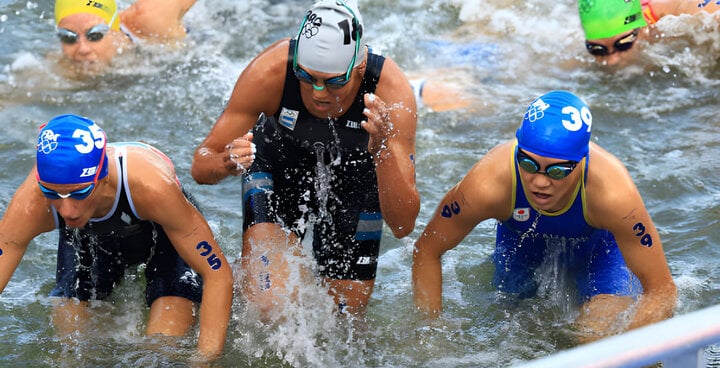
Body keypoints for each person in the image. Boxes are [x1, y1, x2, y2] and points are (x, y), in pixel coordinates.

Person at [191, 0, 419, 318]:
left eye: (334, 81)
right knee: (267, 304)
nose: (318, 92)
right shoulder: (271, 71)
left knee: (344, 321)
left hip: (355, 176)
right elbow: (201, 165)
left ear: (360, 67)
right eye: (306, 76)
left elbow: (404, 224)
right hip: (279, 163)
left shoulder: (390, 91)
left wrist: (381, 149)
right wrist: (225, 162)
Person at [412, 90, 677, 343]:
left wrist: (632, 354)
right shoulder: (488, 184)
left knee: (593, 337)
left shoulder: (612, 195)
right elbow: (427, 249)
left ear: (581, 161)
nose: (539, 182)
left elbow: (662, 290)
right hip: (521, 246)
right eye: (527, 164)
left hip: (599, 252)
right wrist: (430, 328)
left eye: (557, 171)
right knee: (517, 334)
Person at [0, 114, 233, 361]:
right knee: (72, 355)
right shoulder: (34, 203)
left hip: (162, 236)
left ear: (103, 177)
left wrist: (206, 363)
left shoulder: (150, 188)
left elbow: (217, 274)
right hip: (87, 239)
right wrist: (62, 195)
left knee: (161, 354)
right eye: (52, 193)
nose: (67, 210)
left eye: (80, 193)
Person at [53, 0, 196, 74]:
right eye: (69, 38)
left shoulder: (149, 20)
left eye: (95, 35)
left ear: (114, 31)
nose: (83, 49)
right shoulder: (63, 67)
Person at [578, 0, 720, 66]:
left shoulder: (682, 15)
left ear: (643, 28)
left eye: (623, 44)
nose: (611, 61)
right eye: (597, 50)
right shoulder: (573, 45)